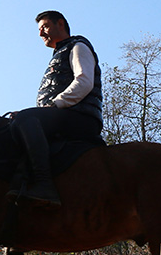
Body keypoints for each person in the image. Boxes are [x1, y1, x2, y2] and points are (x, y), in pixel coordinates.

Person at [10, 11, 103, 207]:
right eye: (39, 30)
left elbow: (84, 82)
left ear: (60, 24)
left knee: (26, 120)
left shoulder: (78, 47)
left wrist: (53, 105)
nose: (41, 34)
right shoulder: (60, 54)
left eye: (44, 27)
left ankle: (44, 185)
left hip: (80, 117)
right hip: (63, 115)